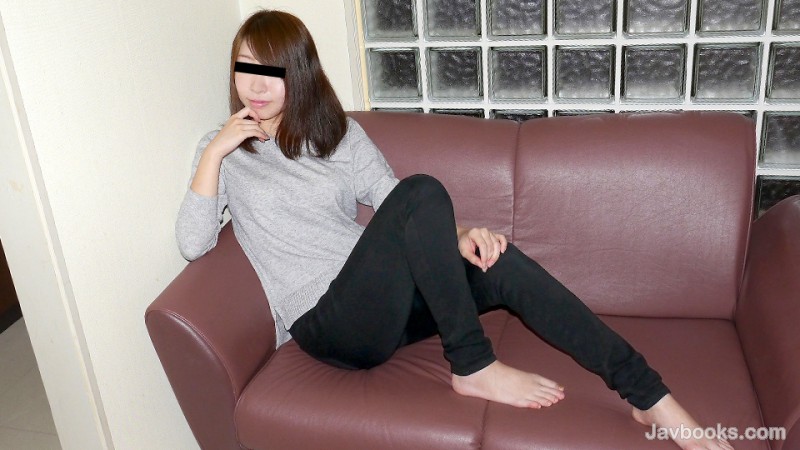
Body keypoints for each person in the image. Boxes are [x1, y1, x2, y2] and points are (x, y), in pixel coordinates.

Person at [176, 10, 733, 450]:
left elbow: (391, 199)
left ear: (297, 74)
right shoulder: (223, 152)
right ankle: (473, 365)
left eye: (272, 71)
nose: (257, 85)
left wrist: (459, 234)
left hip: (381, 303)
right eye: (246, 68)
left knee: (497, 259)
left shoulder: (337, 135)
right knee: (424, 189)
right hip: (327, 325)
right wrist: (217, 153)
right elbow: (193, 243)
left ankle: (649, 396)